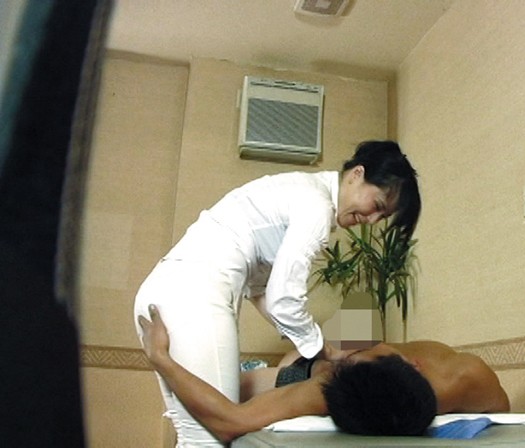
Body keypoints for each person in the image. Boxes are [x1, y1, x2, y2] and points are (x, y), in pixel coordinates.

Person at [132, 141, 421, 447]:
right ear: (356, 174)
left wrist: (315, 344)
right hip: (191, 295)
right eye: (377, 205)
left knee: (194, 435)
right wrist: (325, 349)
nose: (372, 221)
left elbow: (262, 291)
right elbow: (284, 300)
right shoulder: (317, 205)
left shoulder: (301, 191)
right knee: (211, 439)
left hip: (168, 290)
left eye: (382, 217)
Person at [138, 304, 510, 443]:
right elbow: (228, 421)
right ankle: (299, 344)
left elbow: (229, 420)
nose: (343, 362)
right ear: (414, 364)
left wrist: (161, 357)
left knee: (246, 384)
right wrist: (162, 360)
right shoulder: (465, 372)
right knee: (349, 323)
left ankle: (296, 354)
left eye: (346, 362)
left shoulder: (328, 389)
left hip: (318, 369)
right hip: (317, 358)